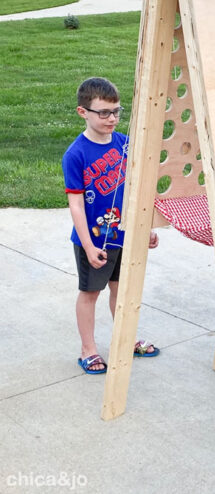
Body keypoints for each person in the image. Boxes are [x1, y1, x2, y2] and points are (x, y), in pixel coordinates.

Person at [62, 77, 160, 375]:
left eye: (116, 111)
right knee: (91, 292)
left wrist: (147, 227)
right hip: (93, 241)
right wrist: (89, 246)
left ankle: (125, 338)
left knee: (122, 289)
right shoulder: (76, 154)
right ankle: (88, 350)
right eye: (103, 112)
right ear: (83, 112)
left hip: (124, 234)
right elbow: (76, 205)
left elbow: (136, 189)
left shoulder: (125, 145)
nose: (112, 118)